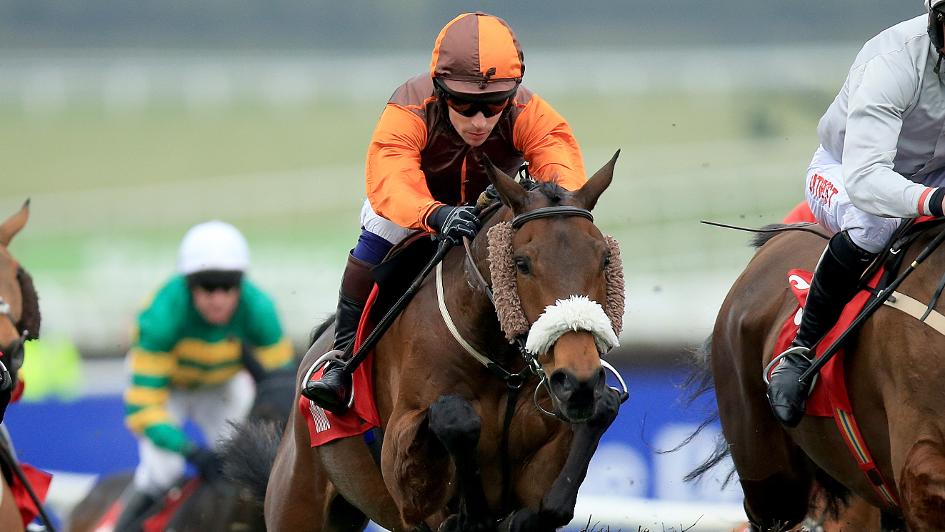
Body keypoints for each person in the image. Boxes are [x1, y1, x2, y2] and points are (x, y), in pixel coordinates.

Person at [303, 11, 588, 413]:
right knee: (376, 238)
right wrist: (436, 214)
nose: (479, 120)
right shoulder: (409, 107)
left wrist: (549, 203)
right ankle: (341, 360)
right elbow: (392, 177)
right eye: (463, 104)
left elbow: (562, 171)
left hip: (494, 205)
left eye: (493, 105)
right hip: (415, 207)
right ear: (440, 89)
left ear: (511, 94)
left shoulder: (530, 112)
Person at [767, 1, 945, 427]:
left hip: (935, 174)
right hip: (847, 171)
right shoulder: (894, 60)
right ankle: (801, 349)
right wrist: (934, 201)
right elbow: (867, 180)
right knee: (874, 225)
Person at [116, 220, 294, 530]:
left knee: (247, 466)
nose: (218, 299)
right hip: (169, 390)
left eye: (228, 286)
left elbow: (282, 388)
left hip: (221, 386)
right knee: (164, 473)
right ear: (189, 286)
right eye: (208, 287)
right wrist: (191, 452)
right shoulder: (160, 316)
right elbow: (144, 409)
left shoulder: (260, 309)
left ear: (241, 285)